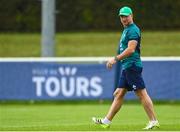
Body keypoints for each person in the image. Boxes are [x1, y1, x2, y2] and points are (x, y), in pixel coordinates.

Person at [92, 6, 160, 130]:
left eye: (126, 16)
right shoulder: (126, 30)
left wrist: (115, 59)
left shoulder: (133, 30)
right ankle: (106, 121)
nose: (124, 18)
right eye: (122, 16)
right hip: (127, 67)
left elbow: (131, 49)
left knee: (142, 94)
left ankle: (153, 121)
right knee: (118, 93)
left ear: (131, 16)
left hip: (132, 66)